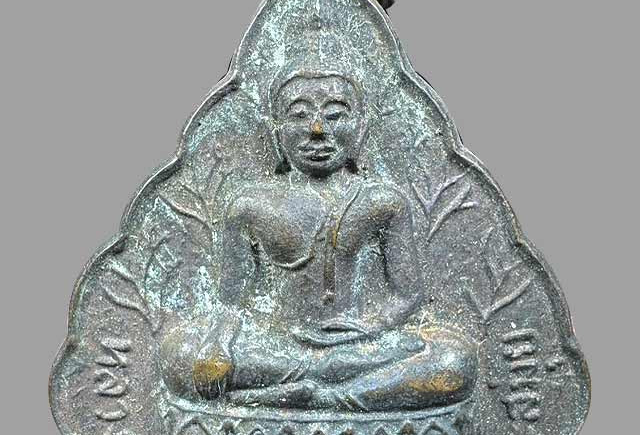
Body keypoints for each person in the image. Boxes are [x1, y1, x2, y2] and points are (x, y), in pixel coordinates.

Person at [159, 45, 477, 412]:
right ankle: (340, 385)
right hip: (276, 345)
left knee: (454, 358)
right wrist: (218, 344)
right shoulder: (249, 205)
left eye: (335, 115)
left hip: (358, 347)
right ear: (276, 130)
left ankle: (324, 397)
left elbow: (409, 294)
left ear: (360, 127)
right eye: (299, 115)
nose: (317, 130)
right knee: (179, 353)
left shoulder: (383, 202)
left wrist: (370, 326)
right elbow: (230, 302)